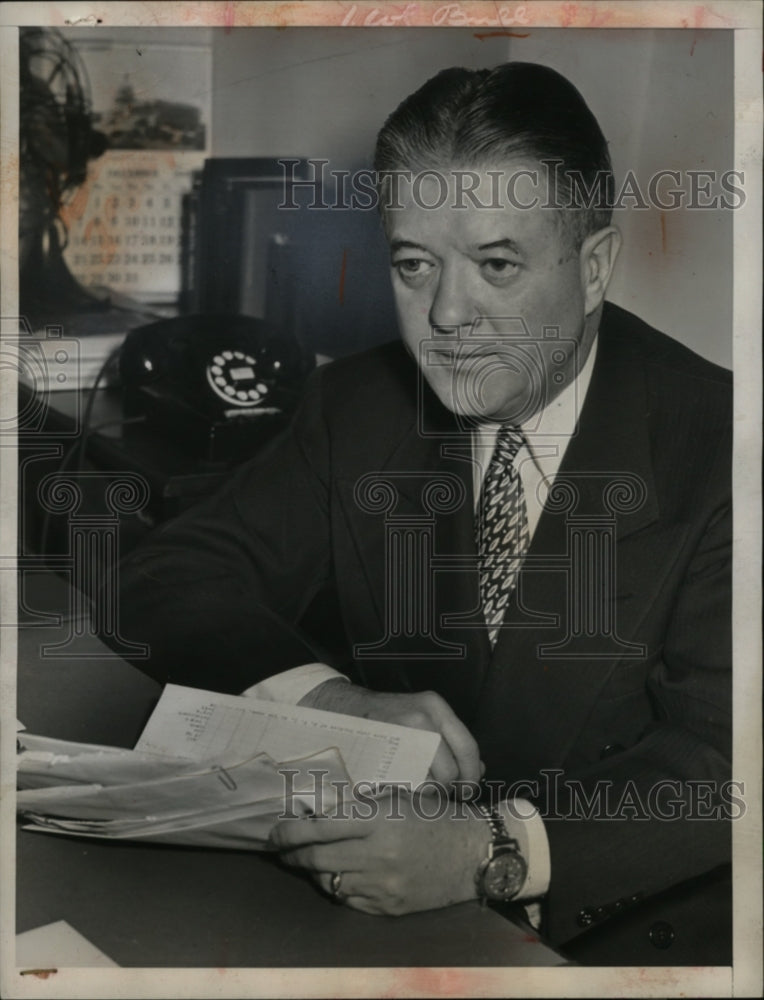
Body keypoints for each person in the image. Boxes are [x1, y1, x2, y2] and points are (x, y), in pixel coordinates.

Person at [108, 63, 732, 965]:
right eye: (413, 264)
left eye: (496, 265)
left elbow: (724, 760)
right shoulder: (358, 405)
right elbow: (165, 575)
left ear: (595, 266)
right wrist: (328, 697)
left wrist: (493, 851)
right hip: (375, 926)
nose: (445, 314)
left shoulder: (722, 448)